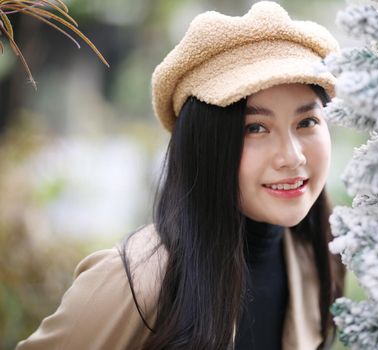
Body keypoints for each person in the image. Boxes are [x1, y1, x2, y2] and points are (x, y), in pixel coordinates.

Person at [16, 1, 344, 349]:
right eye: (256, 128)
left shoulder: (318, 256)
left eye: (306, 121)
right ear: (203, 144)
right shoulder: (134, 285)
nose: (291, 157)